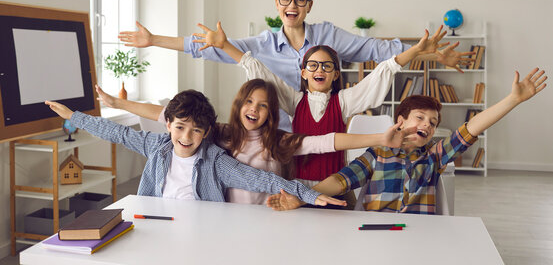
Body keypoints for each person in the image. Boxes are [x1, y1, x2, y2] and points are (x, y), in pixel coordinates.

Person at [118, 0, 474, 130]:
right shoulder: (261, 45)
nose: (292, 4)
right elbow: (209, 49)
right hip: (278, 129)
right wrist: (154, 41)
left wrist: (429, 55)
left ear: (308, 6)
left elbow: (379, 52)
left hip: (323, 124)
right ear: (278, 5)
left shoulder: (328, 37)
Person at [193, 21, 450, 188]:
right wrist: (225, 45)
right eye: (313, 65)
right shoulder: (295, 101)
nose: (320, 70)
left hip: (336, 185)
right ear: (303, 72)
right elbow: (257, 67)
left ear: (336, 74)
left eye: (327, 66)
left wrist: (415, 52)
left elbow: (384, 71)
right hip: (296, 185)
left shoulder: (343, 101)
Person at [265, 68, 547, 214]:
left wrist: (513, 100)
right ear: (399, 121)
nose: (427, 125)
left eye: (433, 123)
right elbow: (341, 180)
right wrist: (304, 199)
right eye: (420, 117)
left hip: (419, 233)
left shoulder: (434, 157)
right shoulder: (377, 154)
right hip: (376, 232)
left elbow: (470, 129)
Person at [93, 82, 416, 206]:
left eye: (262, 105)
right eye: (249, 101)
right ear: (239, 104)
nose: (254, 109)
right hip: (226, 218)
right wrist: (119, 105)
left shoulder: (280, 142)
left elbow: (326, 142)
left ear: (270, 112)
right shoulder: (220, 133)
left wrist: (378, 137)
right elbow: (168, 114)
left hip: (269, 218)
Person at [44, 90, 345, 207]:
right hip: (154, 220)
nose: (186, 137)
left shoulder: (216, 162)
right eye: (180, 127)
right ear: (168, 125)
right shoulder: (156, 146)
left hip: (201, 228)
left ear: (206, 133)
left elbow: (263, 180)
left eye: (196, 130)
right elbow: (117, 132)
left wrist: (309, 193)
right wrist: (74, 117)